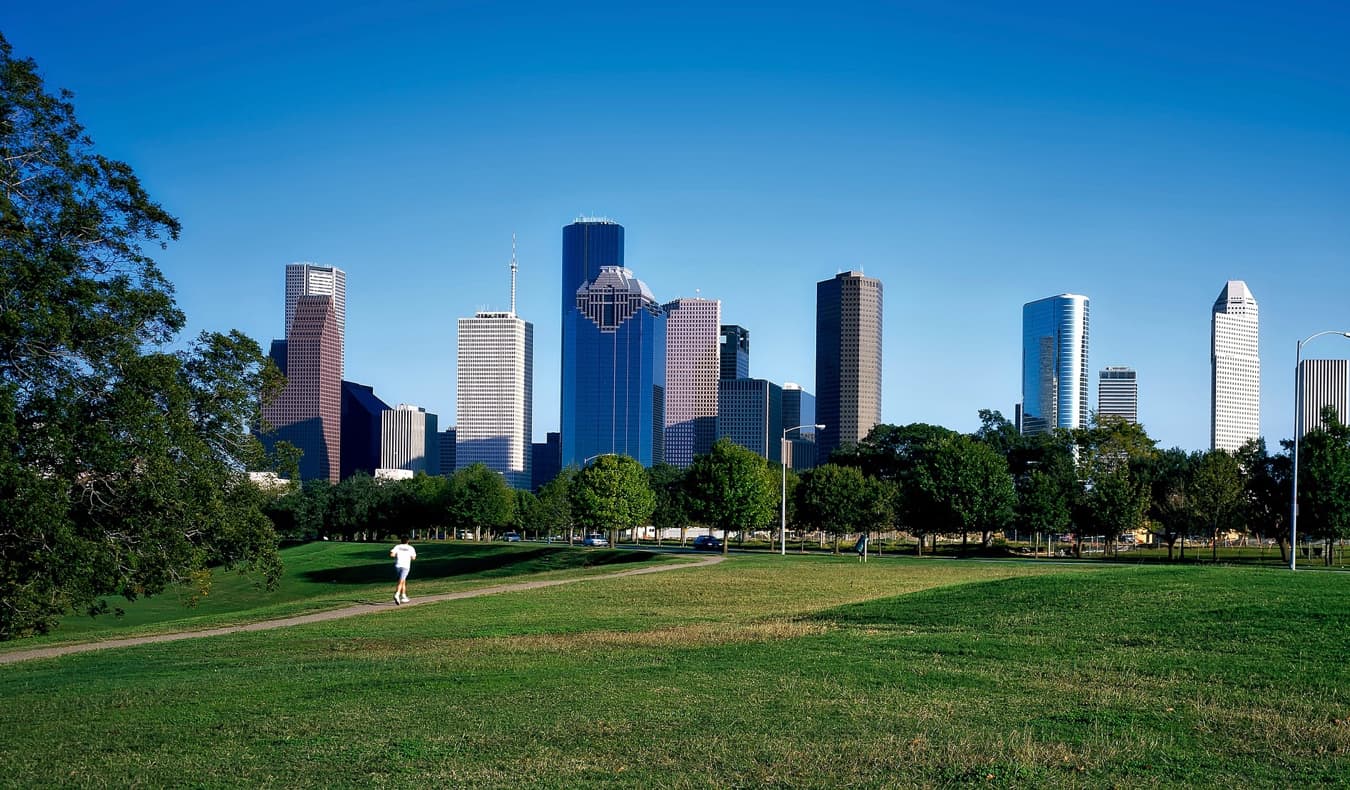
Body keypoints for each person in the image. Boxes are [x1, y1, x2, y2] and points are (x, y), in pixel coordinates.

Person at [390, 536, 416, 604]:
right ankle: (397, 594)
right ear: (408, 541)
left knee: (402, 580)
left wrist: (398, 555)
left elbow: (392, 554)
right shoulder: (411, 548)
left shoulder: (397, 546)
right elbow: (413, 558)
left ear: (401, 541)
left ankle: (404, 596)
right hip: (405, 566)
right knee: (401, 581)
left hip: (398, 565)